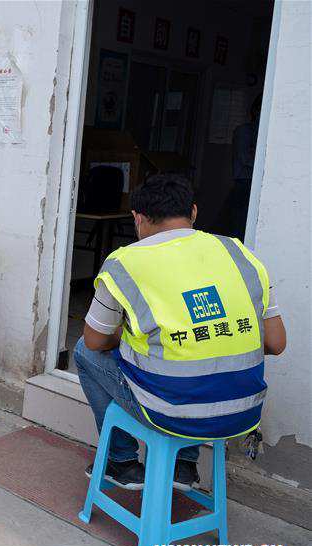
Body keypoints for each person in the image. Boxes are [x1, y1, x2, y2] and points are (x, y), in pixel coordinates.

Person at [75, 174, 286, 492]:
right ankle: (183, 467)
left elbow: (95, 341)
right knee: (196, 361)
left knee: (82, 351)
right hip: (243, 412)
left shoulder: (124, 263)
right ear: (195, 212)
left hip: (168, 412)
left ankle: (121, 463)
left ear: (138, 218)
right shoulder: (241, 254)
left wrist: (137, 339)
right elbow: (276, 342)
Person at [227, 94, 263, 240]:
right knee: (240, 228)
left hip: (254, 184)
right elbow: (244, 158)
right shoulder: (244, 131)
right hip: (245, 183)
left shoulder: (263, 131)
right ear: (255, 111)